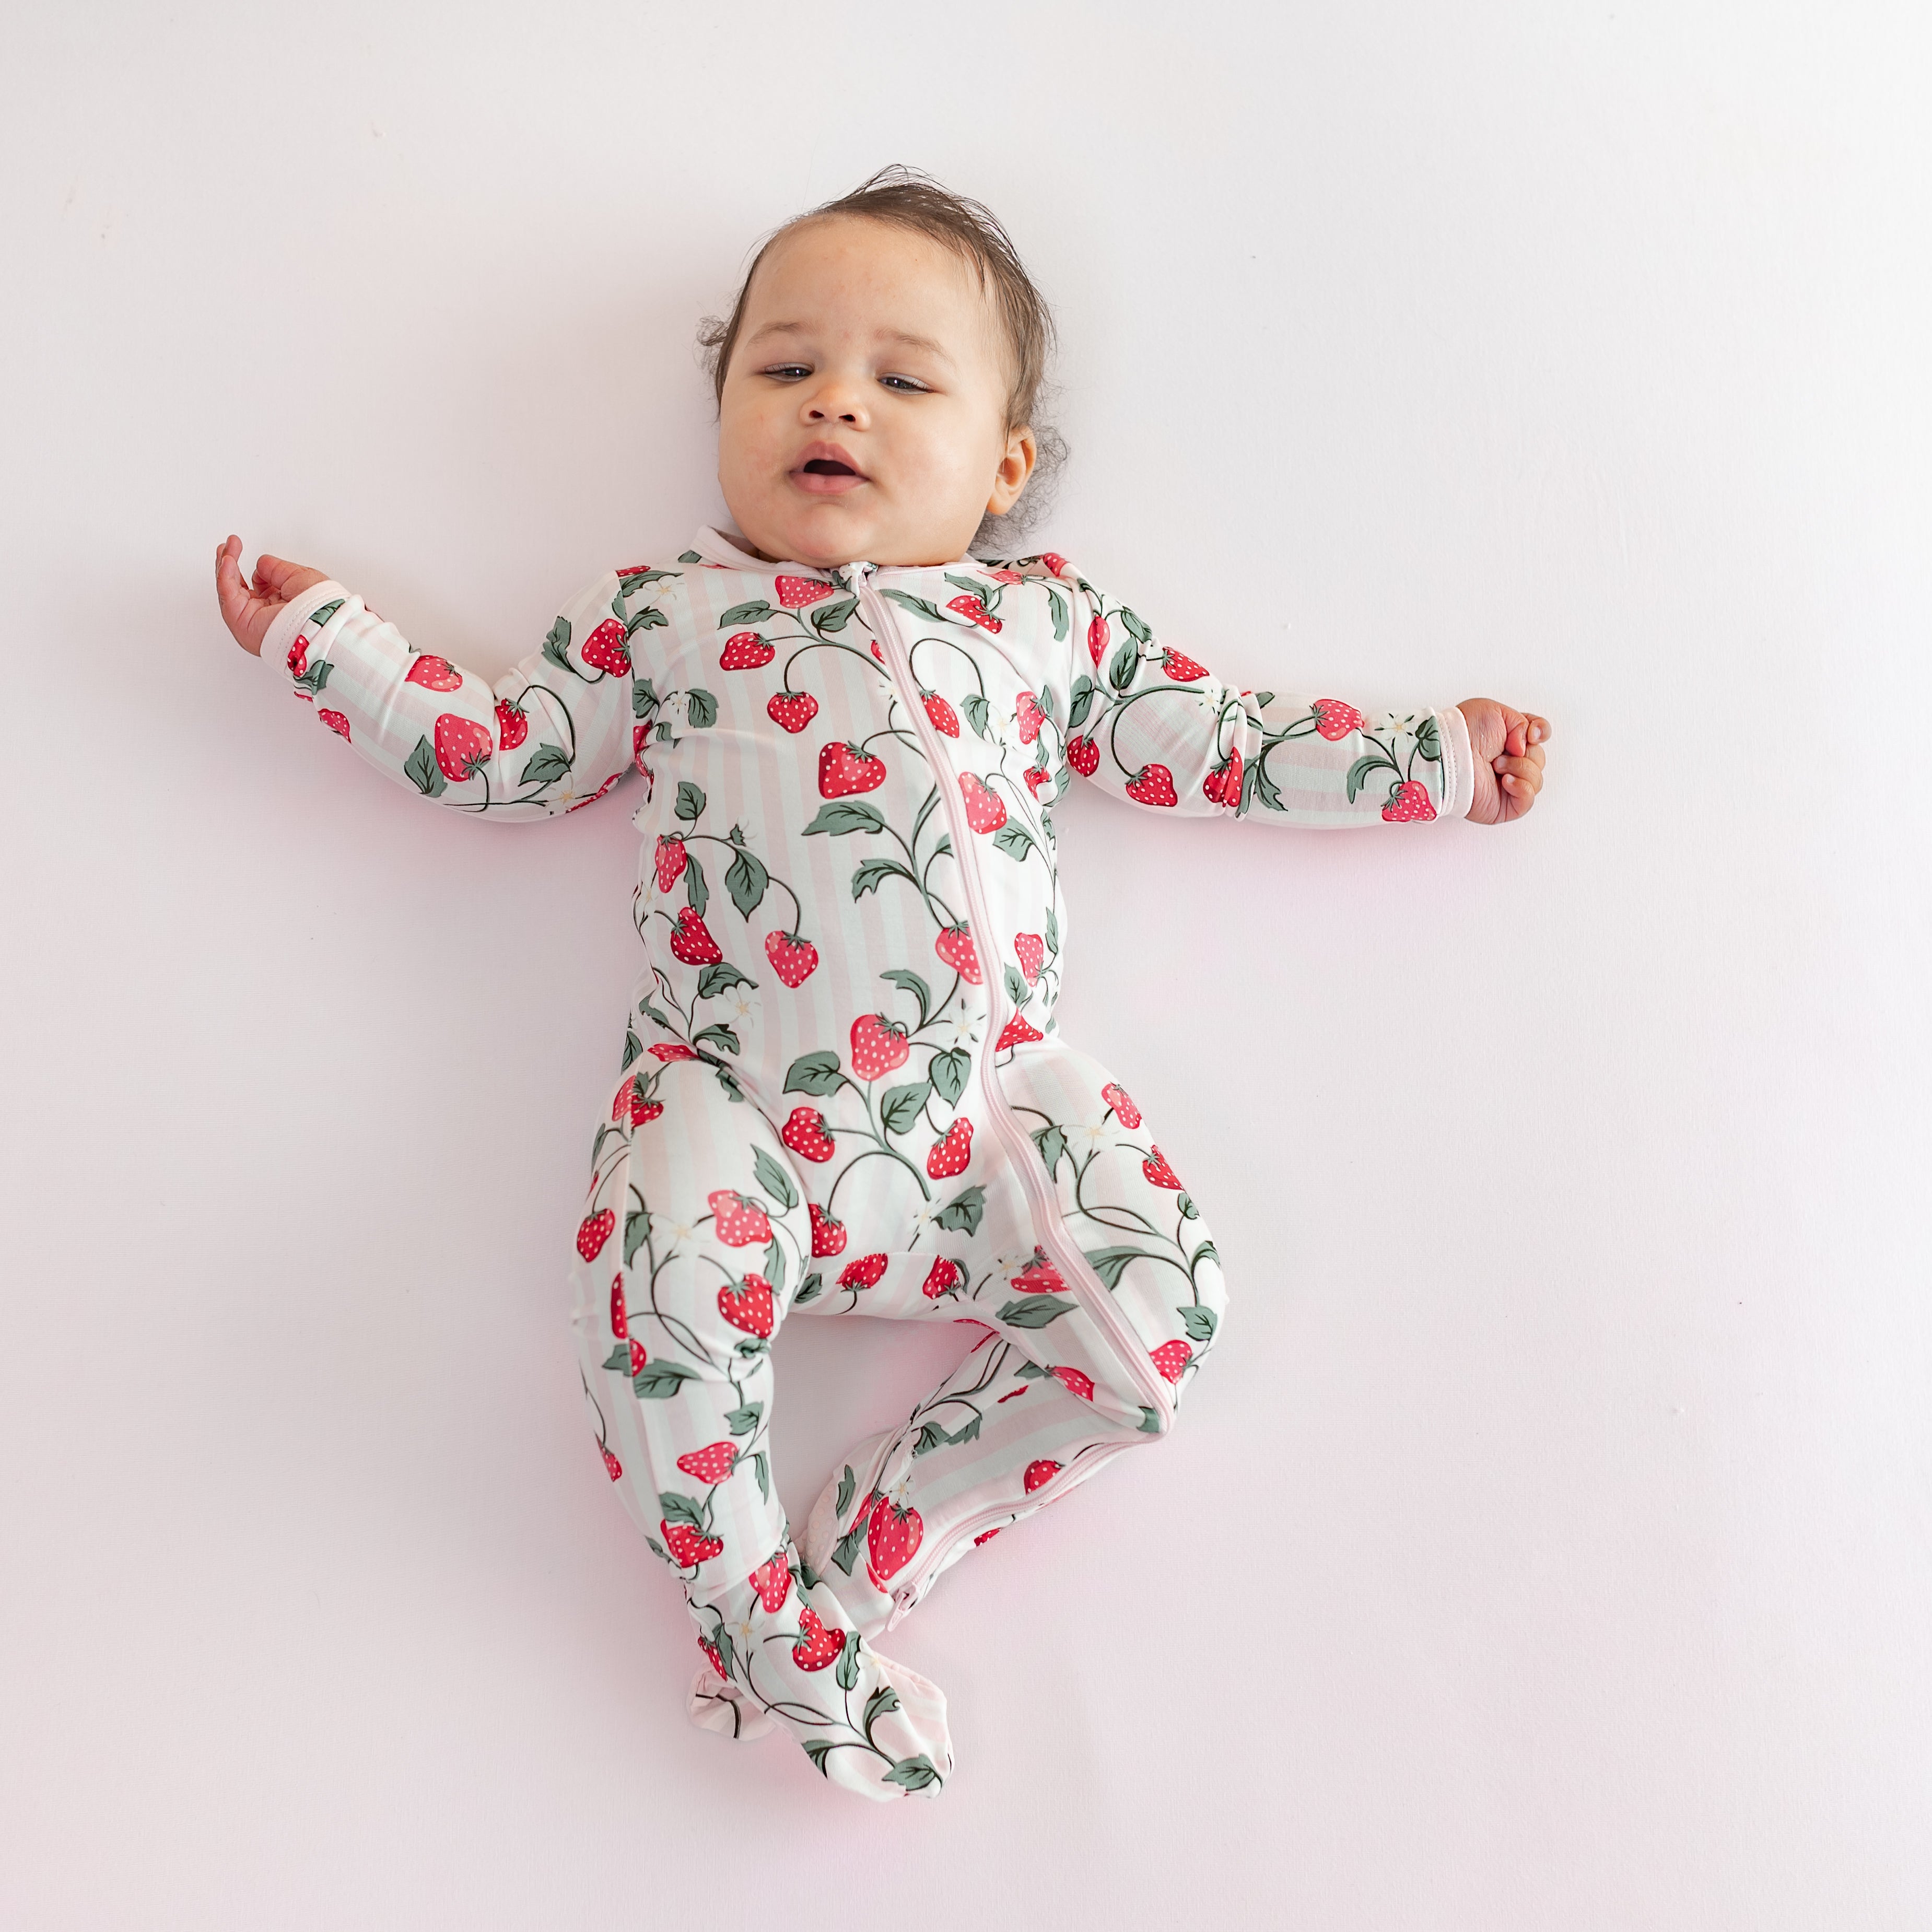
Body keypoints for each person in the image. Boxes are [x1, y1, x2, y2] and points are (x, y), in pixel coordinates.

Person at [215, 165, 1551, 1802]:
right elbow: (505, 753)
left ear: (1000, 469)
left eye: (901, 379)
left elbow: (1217, 739)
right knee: (649, 1304)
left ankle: (841, 1574)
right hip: (738, 1109)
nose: (833, 400)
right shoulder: (664, 616)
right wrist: (333, 644)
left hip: (981, 1121)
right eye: (782, 369)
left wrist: (1431, 759)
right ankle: (757, 1618)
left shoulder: (1039, 626)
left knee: (1160, 1320)